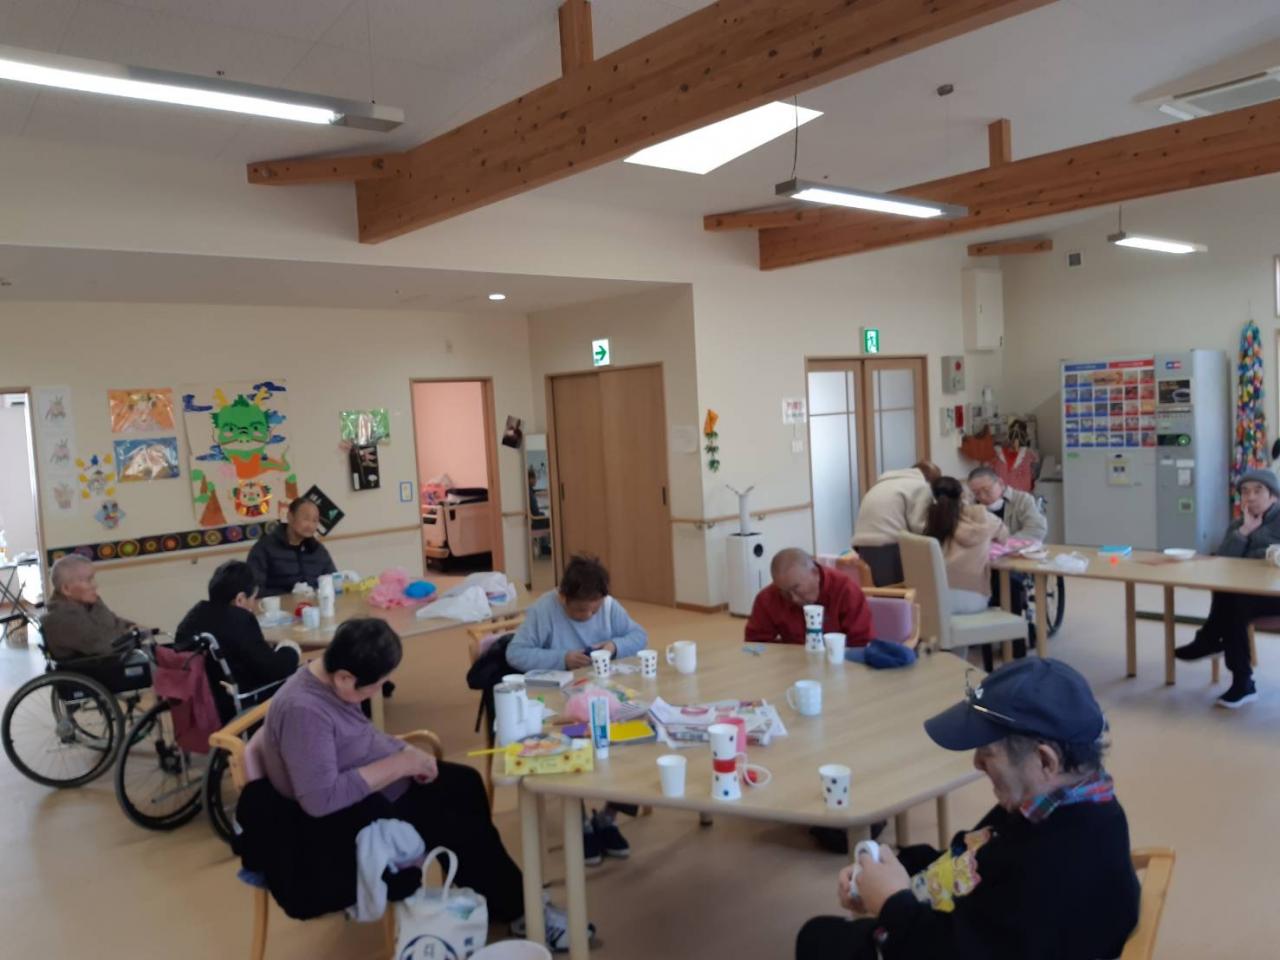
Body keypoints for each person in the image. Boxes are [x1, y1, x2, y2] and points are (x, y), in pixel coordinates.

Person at [252, 618, 587, 951]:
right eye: (376, 685)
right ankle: (520, 909)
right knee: (457, 820)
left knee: (466, 783)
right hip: (344, 821)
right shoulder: (305, 712)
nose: (379, 691)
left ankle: (487, 892)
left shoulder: (328, 680)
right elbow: (320, 799)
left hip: (374, 788)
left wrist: (405, 752)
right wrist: (400, 763)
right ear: (344, 678)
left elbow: (360, 740)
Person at [796, 658, 1140, 960]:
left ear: (1044, 761)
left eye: (988, 753)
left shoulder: (1054, 870)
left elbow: (955, 950)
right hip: (960, 923)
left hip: (944, 942)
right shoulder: (1058, 806)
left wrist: (891, 902)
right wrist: (898, 869)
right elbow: (969, 859)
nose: (976, 763)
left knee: (817, 939)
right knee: (823, 935)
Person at [506, 554, 647, 864]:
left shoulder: (608, 606)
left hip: (606, 694)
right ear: (563, 597)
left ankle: (608, 817)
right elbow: (515, 653)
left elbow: (639, 635)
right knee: (574, 745)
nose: (589, 615)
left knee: (633, 737)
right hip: (560, 699)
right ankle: (580, 822)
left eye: (594, 608)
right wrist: (561, 658)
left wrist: (614, 646)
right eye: (581, 609)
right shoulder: (545, 609)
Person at [1174, 468, 1280, 708]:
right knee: (1229, 596)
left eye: (1258, 491)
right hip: (1249, 594)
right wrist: (1244, 532)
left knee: (1232, 602)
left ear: (1274, 495)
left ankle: (1210, 640)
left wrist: (1253, 553)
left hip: (1275, 594)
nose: (1250, 497)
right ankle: (1241, 681)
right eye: (1245, 492)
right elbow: (1223, 562)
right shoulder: (1239, 523)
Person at [175, 559, 301, 721]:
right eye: (253, 598)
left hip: (202, 703)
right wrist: (290, 649)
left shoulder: (194, 616)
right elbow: (274, 671)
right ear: (240, 599)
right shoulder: (240, 621)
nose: (254, 605)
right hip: (238, 704)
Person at [968, 466, 1046, 645]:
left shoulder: (1022, 500)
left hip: (1015, 560)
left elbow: (1036, 529)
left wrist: (1003, 544)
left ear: (1001, 484)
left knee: (1009, 583)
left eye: (987, 490)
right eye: (977, 493)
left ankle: (1013, 640)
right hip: (984, 562)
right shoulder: (972, 506)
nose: (982, 497)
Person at [744, 548, 873, 647]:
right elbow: (754, 643)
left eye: (796, 588)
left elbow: (862, 643)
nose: (793, 598)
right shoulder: (768, 598)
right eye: (785, 592)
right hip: (792, 666)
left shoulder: (846, 591)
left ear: (815, 573)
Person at [924, 477, 1007, 615]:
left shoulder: (934, 520)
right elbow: (1004, 536)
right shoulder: (986, 518)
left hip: (934, 601)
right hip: (973, 600)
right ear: (964, 496)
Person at [853, 461, 942, 585]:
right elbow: (919, 527)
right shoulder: (921, 486)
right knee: (905, 590)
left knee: (879, 592)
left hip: (863, 548)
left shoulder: (883, 484)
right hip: (889, 547)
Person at [41, 554, 142, 661]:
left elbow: (115, 622)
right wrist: (131, 632)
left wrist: (133, 628)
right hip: (101, 666)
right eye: (88, 580)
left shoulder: (88, 605)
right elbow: (107, 645)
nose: (95, 585)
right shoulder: (61, 619)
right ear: (66, 589)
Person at [247, 497, 337, 596]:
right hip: (278, 604)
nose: (310, 525)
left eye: (315, 521)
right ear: (290, 517)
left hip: (315, 604)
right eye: (306, 519)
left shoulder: (318, 549)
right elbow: (254, 590)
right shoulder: (264, 548)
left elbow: (333, 580)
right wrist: (291, 596)